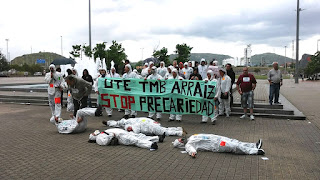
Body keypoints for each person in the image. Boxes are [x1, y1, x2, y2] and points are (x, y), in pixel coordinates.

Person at [172, 134, 265, 158]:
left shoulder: (192, 136)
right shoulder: (189, 144)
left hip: (217, 138)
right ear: (181, 144)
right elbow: (190, 149)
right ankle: (255, 152)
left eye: (180, 138)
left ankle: (254, 145)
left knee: (235, 141)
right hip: (217, 145)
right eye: (180, 140)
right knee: (234, 146)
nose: (181, 139)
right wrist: (192, 153)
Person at [105, 117, 187, 138]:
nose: (130, 130)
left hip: (151, 126)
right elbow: (117, 123)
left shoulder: (134, 126)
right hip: (151, 122)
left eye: (129, 129)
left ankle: (179, 132)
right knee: (165, 129)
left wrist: (130, 131)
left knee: (164, 132)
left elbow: (136, 132)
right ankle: (178, 128)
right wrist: (108, 123)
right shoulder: (129, 121)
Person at [88, 128, 159, 150]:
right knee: (134, 140)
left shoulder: (102, 132)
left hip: (122, 133)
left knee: (139, 136)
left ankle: (156, 139)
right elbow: (105, 142)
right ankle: (150, 145)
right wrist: (112, 135)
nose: (95, 133)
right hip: (120, 137)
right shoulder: (98, 138)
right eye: (93, 134)